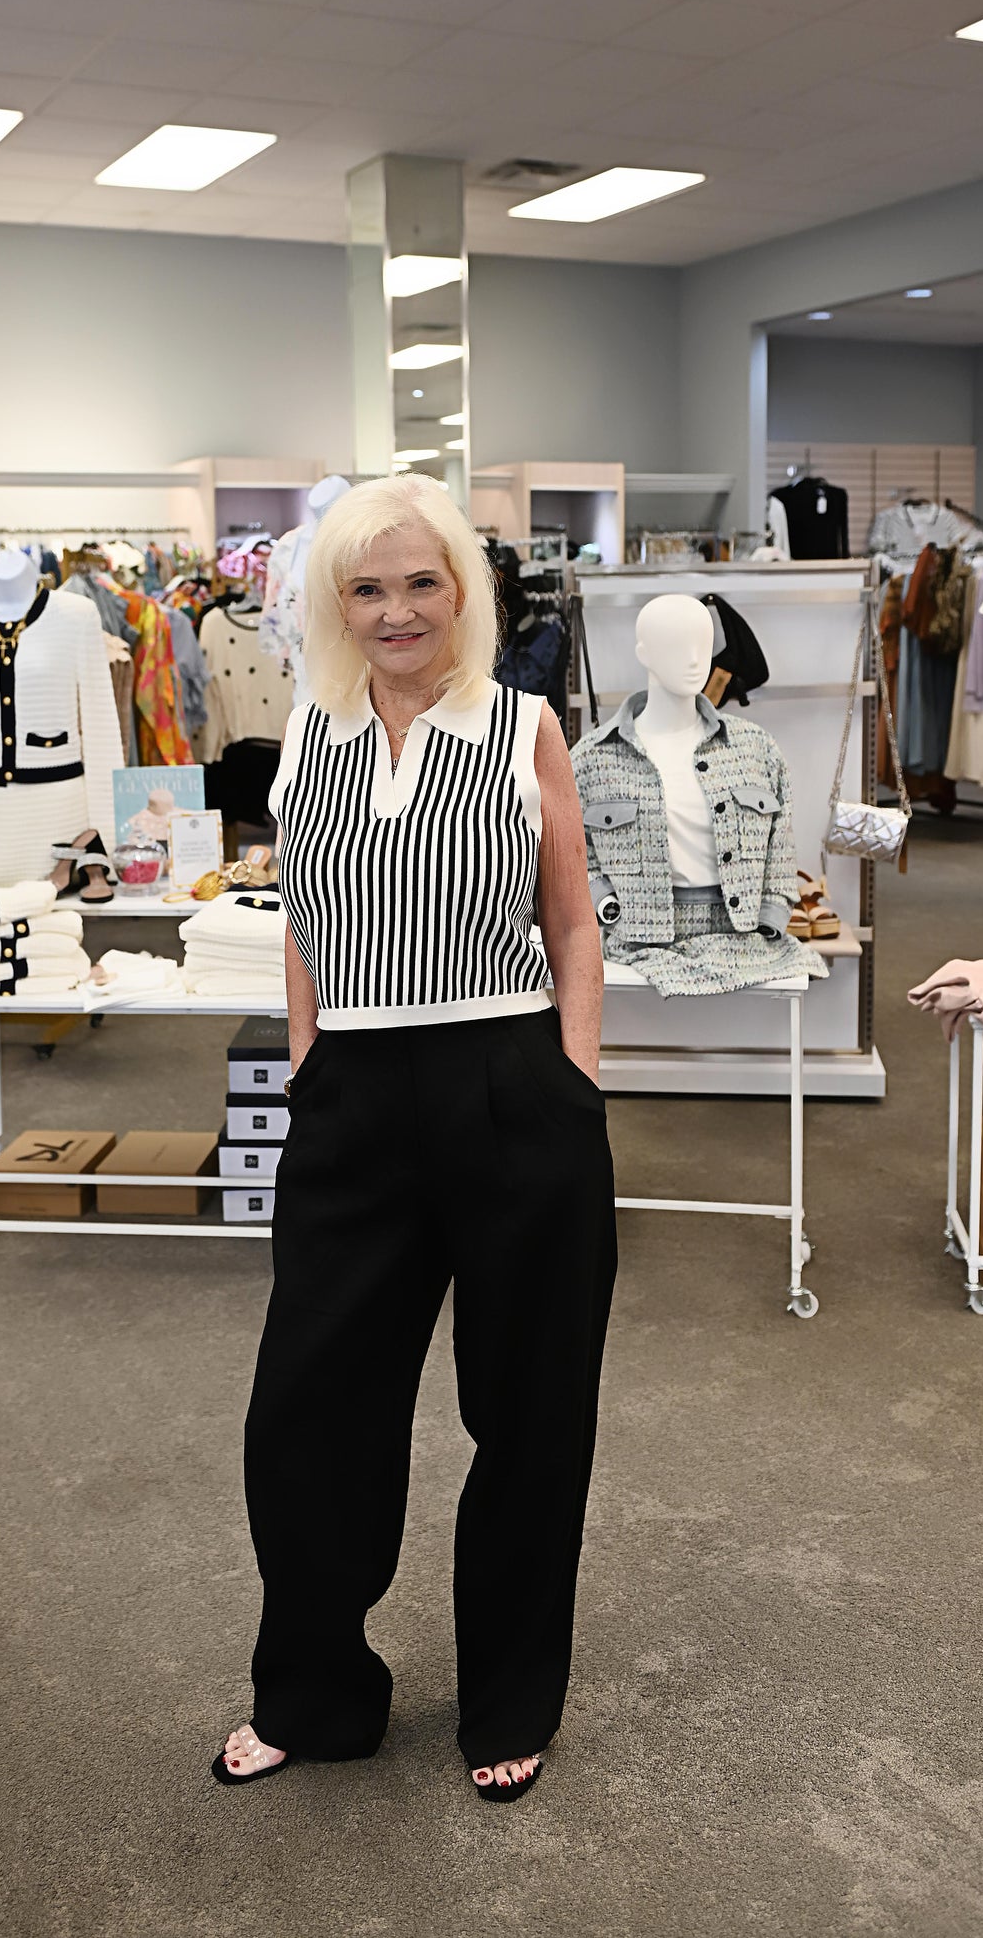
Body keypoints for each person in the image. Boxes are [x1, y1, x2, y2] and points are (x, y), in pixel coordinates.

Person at [213, 473, 617, 1805]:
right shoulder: (307, 737)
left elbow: (571, 922)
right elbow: (302, 921)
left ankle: (510, 1694)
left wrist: (573, 1081)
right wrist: (314, 1061)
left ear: (464, 590)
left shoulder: (522, 726)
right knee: (309, 1412)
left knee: (529, 1412)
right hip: (355, 1103)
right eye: (369, 587)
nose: (397, 610)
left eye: (422, 582)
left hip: (511, 1084)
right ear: (335, 601)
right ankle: (313, 1691)